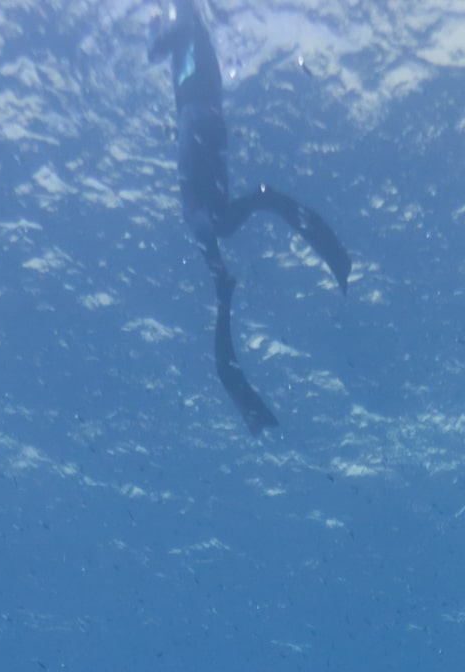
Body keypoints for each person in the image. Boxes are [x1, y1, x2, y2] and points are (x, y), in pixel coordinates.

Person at [148, 0, 350, 436]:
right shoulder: (194, 35)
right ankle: (253, 225)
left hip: (198, 117)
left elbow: (158, 49)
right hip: (204, 118)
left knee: (201, 219)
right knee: (213, 219)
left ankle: (222, 277)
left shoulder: (184, 22)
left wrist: (155, 31)